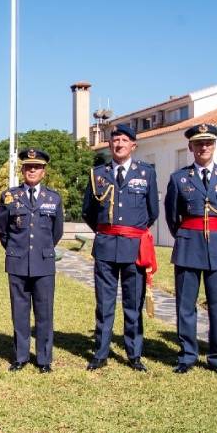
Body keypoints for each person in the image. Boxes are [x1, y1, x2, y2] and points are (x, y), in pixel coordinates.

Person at [164, 124, 217, 376]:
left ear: (214, 145)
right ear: (191, 147)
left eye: (208, 143)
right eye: (198, 143)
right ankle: (187, 354)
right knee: (186, 305)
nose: (203, 147)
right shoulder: (179, 178)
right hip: (188, 245)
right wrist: (186, 235)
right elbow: (172, 216)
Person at [82, 124, 159, 371]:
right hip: (105, 247)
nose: (119, 144)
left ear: (133, 145)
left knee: (133, 303)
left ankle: (134, 354)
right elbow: (88, 212)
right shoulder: (97, 175)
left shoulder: (146, 173)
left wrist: (130, 232)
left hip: (133, 247)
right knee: (104, 304)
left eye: (124, 140)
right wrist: (108, 232)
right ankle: (101, 352)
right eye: (115, 140)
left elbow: (152, 212)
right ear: (109, 145)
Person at [0, 149, 64, 373]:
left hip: (43, 263)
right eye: (28, 166)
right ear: (22, 170)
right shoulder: (9, 197)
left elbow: (56, 233)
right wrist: (17, 250)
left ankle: (44, 359)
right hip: (17, 262)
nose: (32, 170)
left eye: (37, 167)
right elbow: (3, 231)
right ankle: (20, 356)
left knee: (44, 312)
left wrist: (40, 251)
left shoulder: (53, 199)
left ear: (43, 171)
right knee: (20, 311)